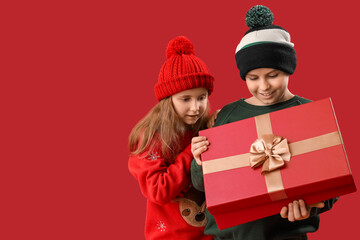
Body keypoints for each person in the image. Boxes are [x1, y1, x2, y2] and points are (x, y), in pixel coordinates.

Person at [190, 5, 338, 240]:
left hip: (286, 236)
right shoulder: (226, 116)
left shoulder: (309, 113)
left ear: (288, 69)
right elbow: (201, 186)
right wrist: (199, 162)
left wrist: (311, 207)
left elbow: (332, 184)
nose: (264, 86)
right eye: (253, 78)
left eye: (273, 75)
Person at [128, 36, 214, 240]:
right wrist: (190, 154)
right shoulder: (151, 137)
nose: (196, 107)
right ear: (168, 100)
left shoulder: (205, 126)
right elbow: (158, 190)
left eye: (201, 97)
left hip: (210, 234)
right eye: (186, 99)